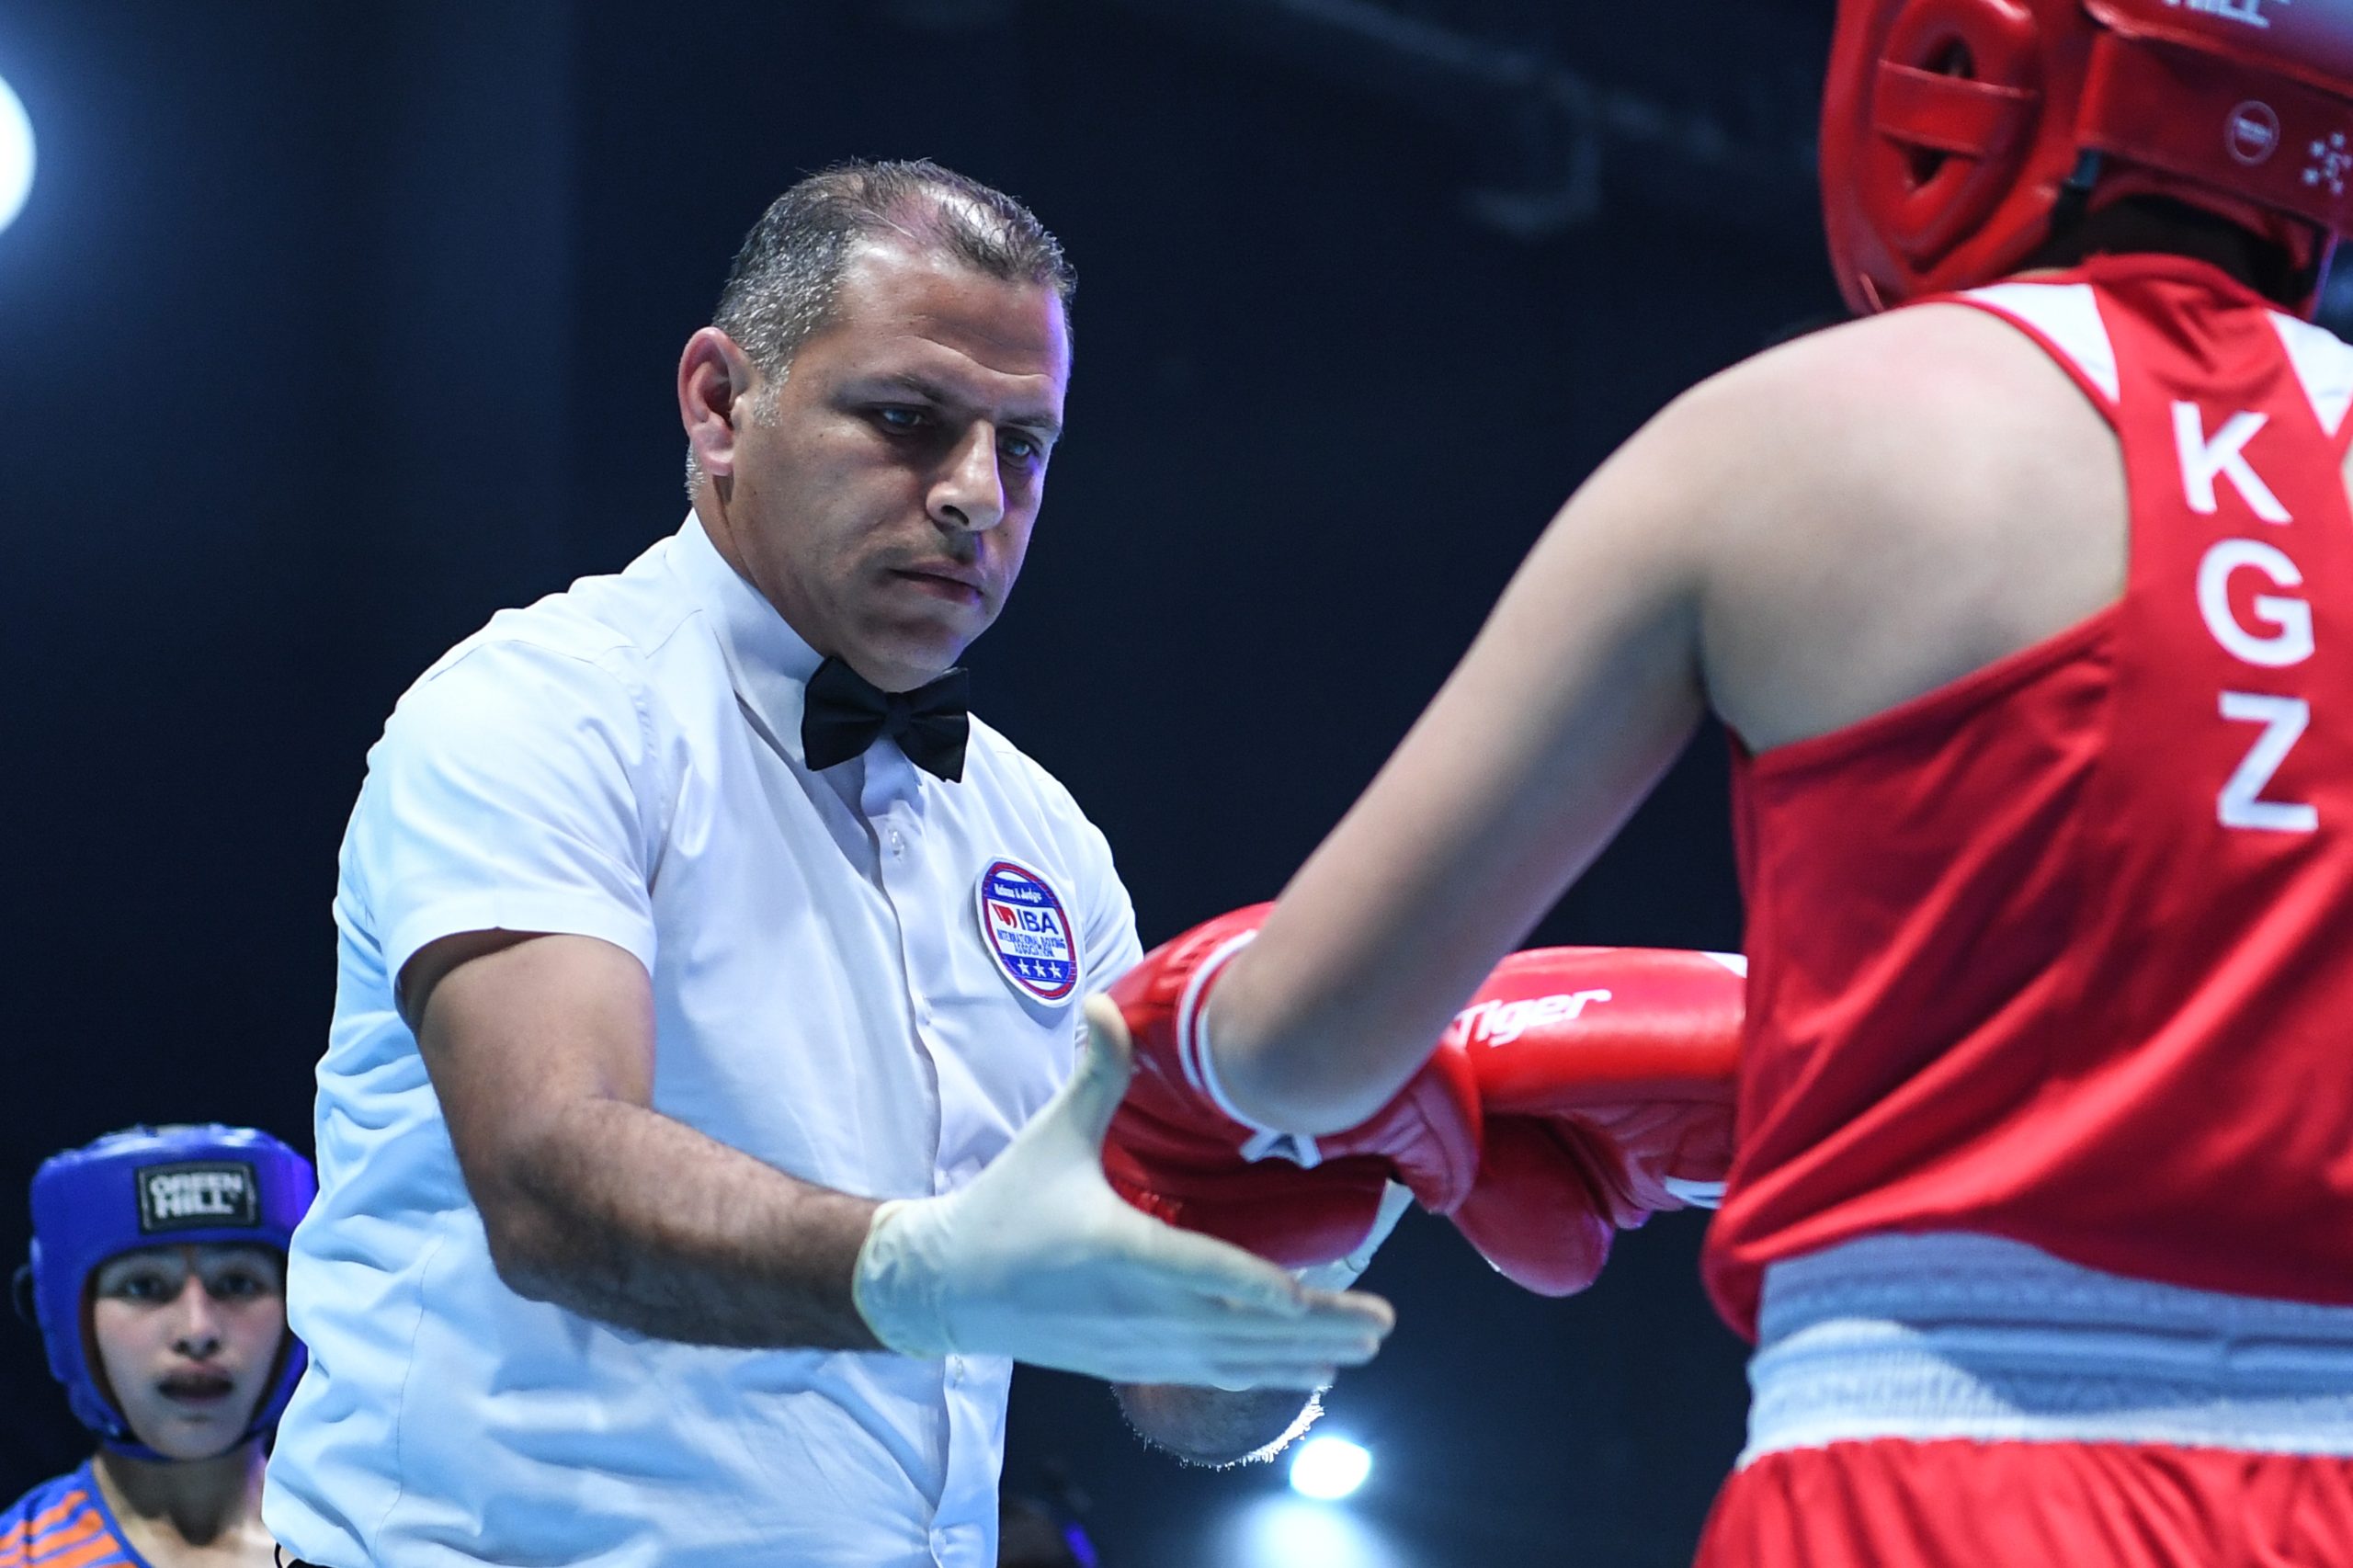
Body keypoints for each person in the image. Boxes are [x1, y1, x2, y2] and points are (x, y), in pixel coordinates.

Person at [1098, 3, 2353, 1563]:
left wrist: (1186, 1039)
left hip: (1924, 1490)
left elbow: (1307, 1050)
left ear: (1959, 58)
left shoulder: (1796, 436)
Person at [259, 159, 1389, 1568]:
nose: (977, 495)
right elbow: (548, 1173)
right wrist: (915, 1273)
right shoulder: (537, 706)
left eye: (1025, 446)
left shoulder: (1045, 841)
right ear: (721, 405)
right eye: (910, 421)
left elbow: (1167, 1384)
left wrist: (1346, 1195)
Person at [3, 1125, 316, 1568]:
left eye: (237, 1283)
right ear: (66, 1320)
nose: (198, 1330)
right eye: (145, 1286)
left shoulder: (368, 1545)